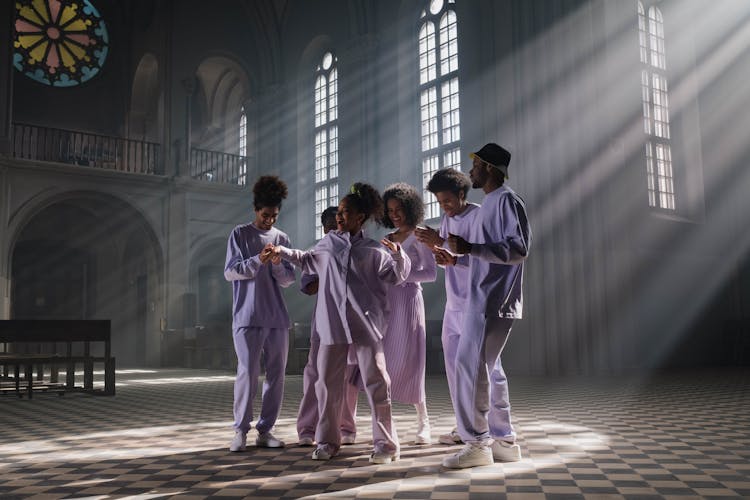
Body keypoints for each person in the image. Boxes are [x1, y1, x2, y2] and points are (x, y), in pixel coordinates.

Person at [266, 183, 410, 464]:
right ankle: (328, 441)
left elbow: (396, 277)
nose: (340, 217)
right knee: (327, 385)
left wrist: (398, 255)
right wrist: (281, 251)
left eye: (346, 212)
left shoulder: (373, 250)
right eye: (340, 212)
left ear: (361, 217)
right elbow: (306, 259)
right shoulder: (327, 243)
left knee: (377, 384)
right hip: (332, 324)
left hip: (365, 325)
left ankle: (386, 445)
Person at [434, 144, 531, 469]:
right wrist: (456, 256)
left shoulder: (506, 199)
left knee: (469, 369)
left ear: (489, 167)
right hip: (481, 299)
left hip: (493, 300)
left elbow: (519, 249)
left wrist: (471, 248)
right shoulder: (491, 203)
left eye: (475, 165)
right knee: (486, 371)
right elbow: (476, 255)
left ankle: (477, 444)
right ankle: (504, 441)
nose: (471, 171)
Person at [224, 175, 296, 452]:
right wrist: (258, 260)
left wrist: (277, 262)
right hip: (247, 316)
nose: (269, 221)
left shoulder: (282, 238)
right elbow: (230, 271)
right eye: (265, 215)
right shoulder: (240, 234)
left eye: (274, 216)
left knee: (276, 376)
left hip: (277, 317)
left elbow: (288, 280)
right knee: (248, 373)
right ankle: (240, 431)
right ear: (256, 210)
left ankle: (265, 430)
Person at [414, 168, 480, 446]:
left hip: (476, 303)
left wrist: (449, 254)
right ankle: (463, 425)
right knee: (453, 368)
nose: (445, 208)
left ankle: (483, 428)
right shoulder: (445, 220)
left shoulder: (479, 217)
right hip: (453, 303)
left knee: (476, 368)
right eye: (440, 203)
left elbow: (488, 259)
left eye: (448, 202)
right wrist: (436, 250)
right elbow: (447, 256)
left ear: (462, 195)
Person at [297, 206, 359, 446]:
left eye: (340, 225)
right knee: (315, 374)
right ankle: (307, 429)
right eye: (332, 227)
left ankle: (346, 426)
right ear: (324, 229)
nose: (337, 231)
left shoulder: (353, 251)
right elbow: (308, 287)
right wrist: (330, 272)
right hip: (323, 322)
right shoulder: (319, 251)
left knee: (348, 375)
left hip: (349, 321)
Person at [381, 183, 436, 444]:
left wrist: (402, 275)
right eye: (390, 210)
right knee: (386, 364)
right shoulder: (388, 239)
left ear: (410, 209)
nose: (394, 215)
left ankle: (424, 421)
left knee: (413, 361)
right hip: (388, 304)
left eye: (399, 209)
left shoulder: (421, 235)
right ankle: (385, 424)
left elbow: (431, 273)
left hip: (410, 301)